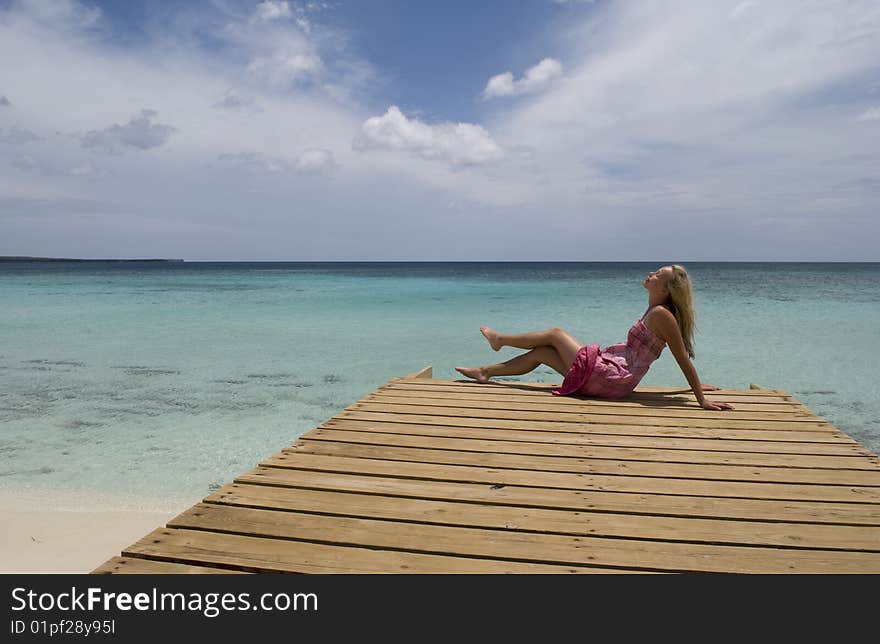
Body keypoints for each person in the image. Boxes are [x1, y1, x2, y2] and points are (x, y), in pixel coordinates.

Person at [455, 265, 734, 411]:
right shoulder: (655, 309)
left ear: (665, 288)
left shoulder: (662, 314)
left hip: (613, 378)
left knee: (555, 333)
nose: (650, 274)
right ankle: (485, 372)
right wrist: (694, 388)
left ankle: (499, 340)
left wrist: (700, 399)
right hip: (612, 377)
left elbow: (682, 359)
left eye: (657, 274)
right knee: (543, 353)